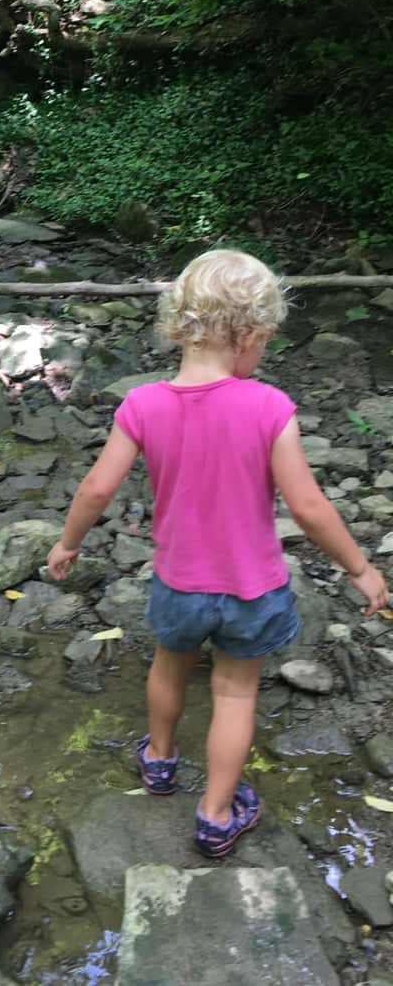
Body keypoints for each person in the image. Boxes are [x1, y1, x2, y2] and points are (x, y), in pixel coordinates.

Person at [47, 249, 389, 858]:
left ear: (180, 326)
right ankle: (215, 814)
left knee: (168, 666)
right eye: (266, 342)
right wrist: (359, 568)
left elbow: (97, 488)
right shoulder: (269, 407)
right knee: (234, 693)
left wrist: (68, 542)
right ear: (250, 336)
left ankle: (158, 761)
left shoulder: (142, 404)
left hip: (178, 583)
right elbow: (308, 508)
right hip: (252, 590)